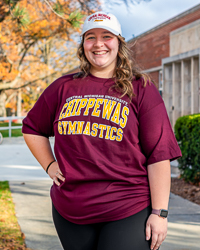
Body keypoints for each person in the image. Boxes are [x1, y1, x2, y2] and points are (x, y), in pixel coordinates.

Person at [22, 11, 182, 250]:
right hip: (70, 210)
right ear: (83, 45)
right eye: (90, 37)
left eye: (106, 36)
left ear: (119, 42)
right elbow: (32, 128)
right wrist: (49, 164)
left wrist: (160, 213)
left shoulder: (140, 88)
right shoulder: (62, 87)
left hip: (127, 206)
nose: (98, 44)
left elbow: (158, 154)